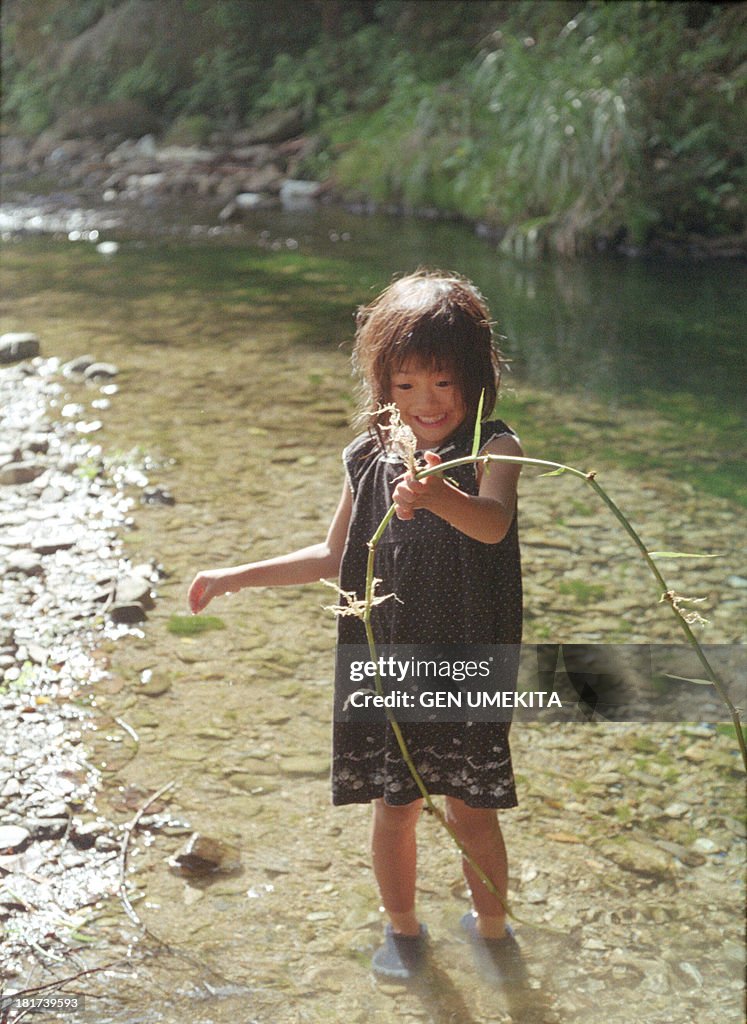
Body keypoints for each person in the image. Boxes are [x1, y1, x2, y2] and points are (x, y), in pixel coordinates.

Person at [188, 270, 525, 985]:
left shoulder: (493, 448)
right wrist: (232, 575)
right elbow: (334, 556)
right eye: (404, 386)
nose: (425, 403)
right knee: (394, 808)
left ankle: (491, 929)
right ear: (381, 385)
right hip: (383, 659)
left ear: (475, 378)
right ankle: (403, 929)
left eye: (442, 383)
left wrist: (436, 497)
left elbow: (492, 526)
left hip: (464, 662)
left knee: (471, 809)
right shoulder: (368, 455)